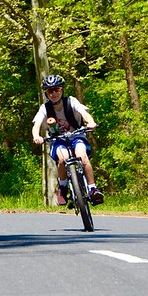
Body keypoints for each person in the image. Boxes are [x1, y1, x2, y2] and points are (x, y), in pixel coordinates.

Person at [31, 74, 104, 205]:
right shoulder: (45, 108)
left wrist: (91, 122)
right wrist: (36, 136)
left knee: (82, 156)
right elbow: (36, 124)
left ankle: (93, 188)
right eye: (50, 91)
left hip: (77, 135)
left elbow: (84, 113)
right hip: (58, 140)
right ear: (47, 93)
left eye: (57, 90)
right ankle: (63, 188)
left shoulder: (71, 101)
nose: (54, 93)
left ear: (62, 90)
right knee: (62, 158)